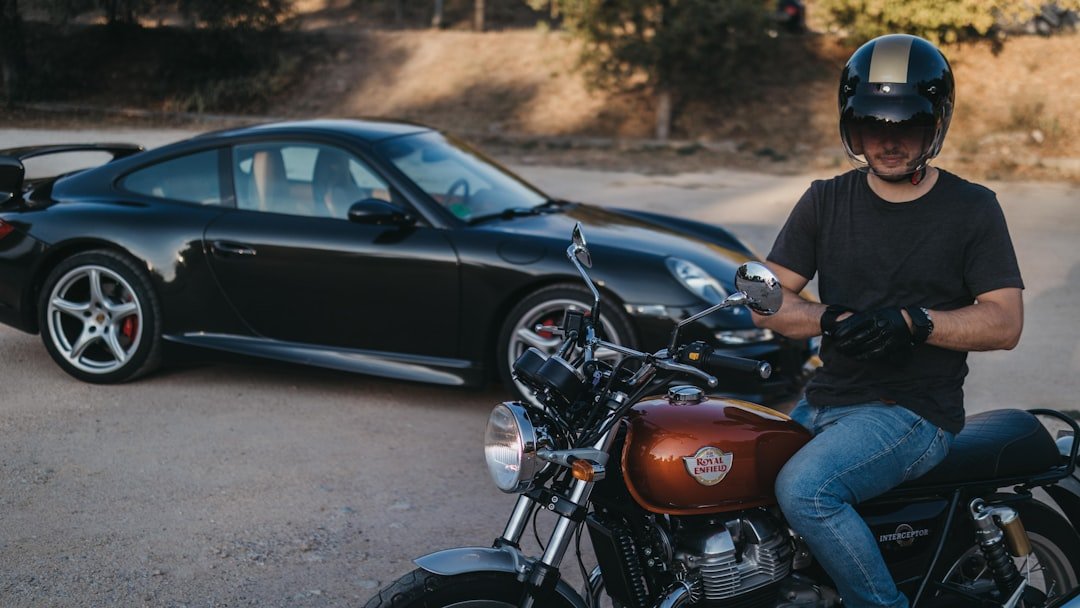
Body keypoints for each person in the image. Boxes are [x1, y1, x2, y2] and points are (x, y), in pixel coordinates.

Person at [752, 34, 1024, 608]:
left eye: (906, 124)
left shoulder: (973, 208)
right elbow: (767, 297)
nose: (888, 140)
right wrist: (827, 317)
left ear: (936, 124)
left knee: (806, 491)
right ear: (850, 124)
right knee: (733, 479)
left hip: (914, 411)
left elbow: (1005, 322)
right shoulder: (826, 200)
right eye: (872, 123)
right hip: (827, 397)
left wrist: (916, 324)